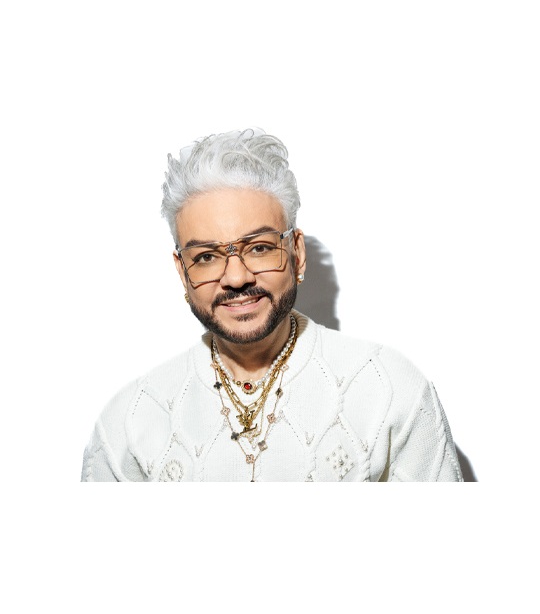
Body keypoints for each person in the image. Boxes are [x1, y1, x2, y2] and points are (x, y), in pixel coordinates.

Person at [82, 128, 462, 482]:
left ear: (297, 252)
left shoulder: (390, 391)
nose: (236, 278)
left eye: (259, 248)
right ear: (183, 272)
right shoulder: (127, 422)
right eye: (207, 257)